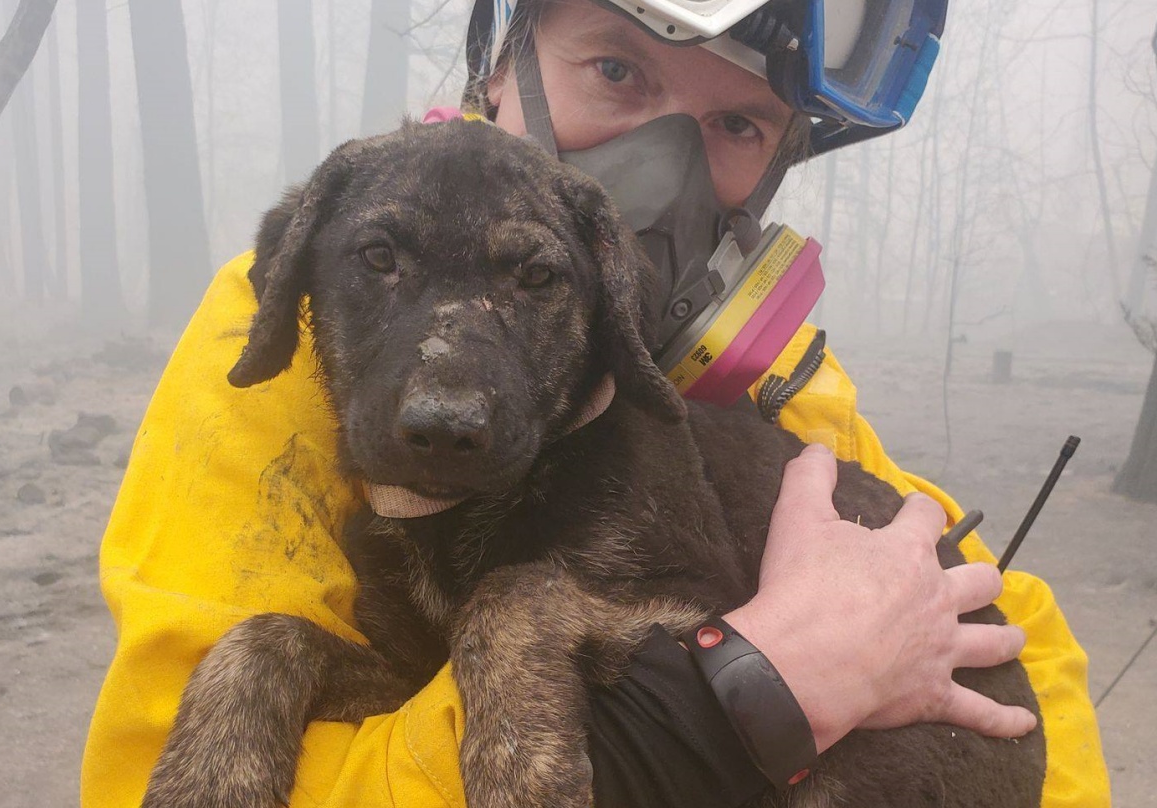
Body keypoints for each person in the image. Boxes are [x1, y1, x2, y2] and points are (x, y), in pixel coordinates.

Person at [81, 1, 1110, 805]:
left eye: (738, 122)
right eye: (617, 69)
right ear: (501, 63)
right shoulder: (310, 328)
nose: (657, 176)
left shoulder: (776, 384)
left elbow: (1020, 635)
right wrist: (733, 698)